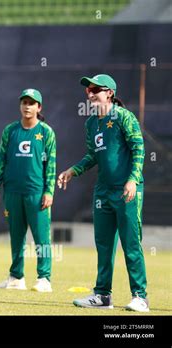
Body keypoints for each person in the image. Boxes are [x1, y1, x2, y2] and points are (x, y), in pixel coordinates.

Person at [57, 74, 149, 312]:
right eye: (88, 90)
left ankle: (140, 296)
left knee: (131, 244)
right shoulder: (90, 123)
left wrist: (132, 180)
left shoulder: (123, 117)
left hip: (127, 190)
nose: (90, 94)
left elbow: (139, 148)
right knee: (104, 245)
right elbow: (93, 156)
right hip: (103, 191)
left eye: (96, 89)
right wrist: (72, 171)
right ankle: (102, 296)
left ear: (109, 93)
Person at [0, 89, 56, 292]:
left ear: (39, 107)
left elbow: (51, 164)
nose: (27, 106)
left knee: (41, 237)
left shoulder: (46, 132)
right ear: (20, 105)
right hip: (12, 192)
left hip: (36, 193)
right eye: (24, 102)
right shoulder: (10, 131)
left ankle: (44, 279)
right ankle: (16, 277)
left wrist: (49, 191)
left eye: (32, 103)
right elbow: (2, 159)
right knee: (16, 236)